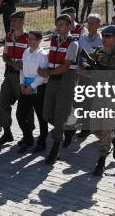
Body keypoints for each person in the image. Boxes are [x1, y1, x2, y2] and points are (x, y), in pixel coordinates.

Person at [83, 25, 115, 176]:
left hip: (114, 96)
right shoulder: (99, 51)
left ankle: (101, 161)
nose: (105, 38)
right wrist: (89, 68)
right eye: (103, 35)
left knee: (105, 127)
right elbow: (86, 63)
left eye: (109, 36)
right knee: (94, 128)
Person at [37, 14, 79, 165]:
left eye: (62, 24)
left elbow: (66, 66)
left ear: (69, 26)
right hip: (53, 80)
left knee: (60, 114)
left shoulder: (73, 43)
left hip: (66, 81)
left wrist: (47, 73)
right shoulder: (54, 39)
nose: (58, 27)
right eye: (57, 24)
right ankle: (67, 129)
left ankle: (55, 149)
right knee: (47, 114)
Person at [0, 11, 28, 146]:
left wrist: (22, 65)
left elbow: (34, 57)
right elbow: (4, 56)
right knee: (2, 103)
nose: (12, 23)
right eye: (11, 21)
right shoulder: (9, 36)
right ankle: (7, 133)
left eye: (15, 21)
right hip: (9, 75)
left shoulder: (28, 38)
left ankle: (28, 135)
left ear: (22, 22)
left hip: (24, 76)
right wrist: (12, 63)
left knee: (25, 107)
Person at [17, 30, 49, 153]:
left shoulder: (43, 55)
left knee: (41, 117)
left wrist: (32, 86)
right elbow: (22, 70)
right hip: (25, 87)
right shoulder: (26, 51)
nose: (29, 41)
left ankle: (42, 142)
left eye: (32, 39)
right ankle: (28, 138)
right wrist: (21, 84)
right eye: (28, 38)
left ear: (39, 40)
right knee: (20, 114)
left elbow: (43, 75)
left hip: (38, 88)